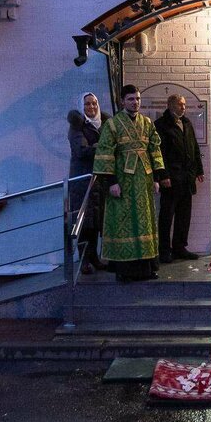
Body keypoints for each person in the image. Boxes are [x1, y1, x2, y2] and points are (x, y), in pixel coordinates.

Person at [94, 84, 167, 282]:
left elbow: (155, 149)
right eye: (131, 99)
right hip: (123, 182)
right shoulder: (113, 124)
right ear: (122, 101)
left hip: (144, 180)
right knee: (124, 221)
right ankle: (125, 270)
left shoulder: (147, 123)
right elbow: (105, 153)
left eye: (137, 99)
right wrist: (111, 182)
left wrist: (158, 177)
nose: (135, 103)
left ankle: (147, 267)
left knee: (146, 221)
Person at [155, 94, 204, 263]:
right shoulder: (161, 125)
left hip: (186, 178)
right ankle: (164, 250)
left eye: (184, 105)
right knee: (167, 215)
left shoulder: (186, 123)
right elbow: (158, 153)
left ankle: (179, 247)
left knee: (184, 215)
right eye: (180, 105)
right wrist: (163, 175)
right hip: (171, 178)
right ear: (170, 105)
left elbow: (194, 147)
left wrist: (199, 169)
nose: (183, 108)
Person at [67, 92, 110, 273]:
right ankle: (84, 260)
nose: (91, 107)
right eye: (87, 104)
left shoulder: (104, 124)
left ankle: (94, 257)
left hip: (99, 180)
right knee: (84, 222)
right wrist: (104, 146)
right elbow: (81, 151)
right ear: (82, 106)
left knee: (96, 222)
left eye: (94, 104)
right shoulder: (77, 127)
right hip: (83, 181)